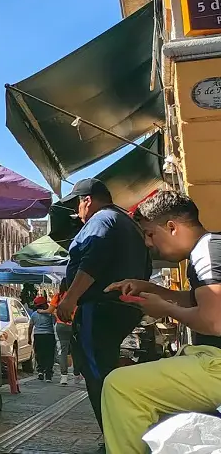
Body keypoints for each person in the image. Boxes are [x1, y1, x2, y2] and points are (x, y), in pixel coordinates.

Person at [100, 191, 221, 454]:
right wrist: (152, 289)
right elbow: (199, 301)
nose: (147, 243)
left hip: (217, 365)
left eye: (150, 234)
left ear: (172, 227)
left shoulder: (207, 250)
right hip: (212, 360)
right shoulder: (210, 247)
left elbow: (214, 321)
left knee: (120, 386)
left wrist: (165, 308)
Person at [54, 178, 151, 434]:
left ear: (87, 200)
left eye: (77, 204)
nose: (77, 211)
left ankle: (115, 436)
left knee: (97, 372)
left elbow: (93, 259)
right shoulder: (128, 223)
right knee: (104, 367)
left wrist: (70, 298)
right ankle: (120, 433)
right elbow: (146, 268)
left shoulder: (101, 220)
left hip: (100, 307)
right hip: (124, 307)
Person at [51, 291, 80, 385]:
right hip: (74, 325)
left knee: (63, 351)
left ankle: (64, 377)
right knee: (76, 350)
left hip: (61, 325)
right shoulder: (76, 294)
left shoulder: (58, 296)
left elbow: (50, 310)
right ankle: (76, 374)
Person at [28, 295, 57, 382]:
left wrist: (29, 338)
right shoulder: (50, 314)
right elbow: (55, 322)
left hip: (38, 335)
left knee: (39, 354)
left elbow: (30, 326)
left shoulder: (34, 315)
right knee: (49, 355)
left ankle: (40, 371)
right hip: (49, 335)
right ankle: (48, 374)